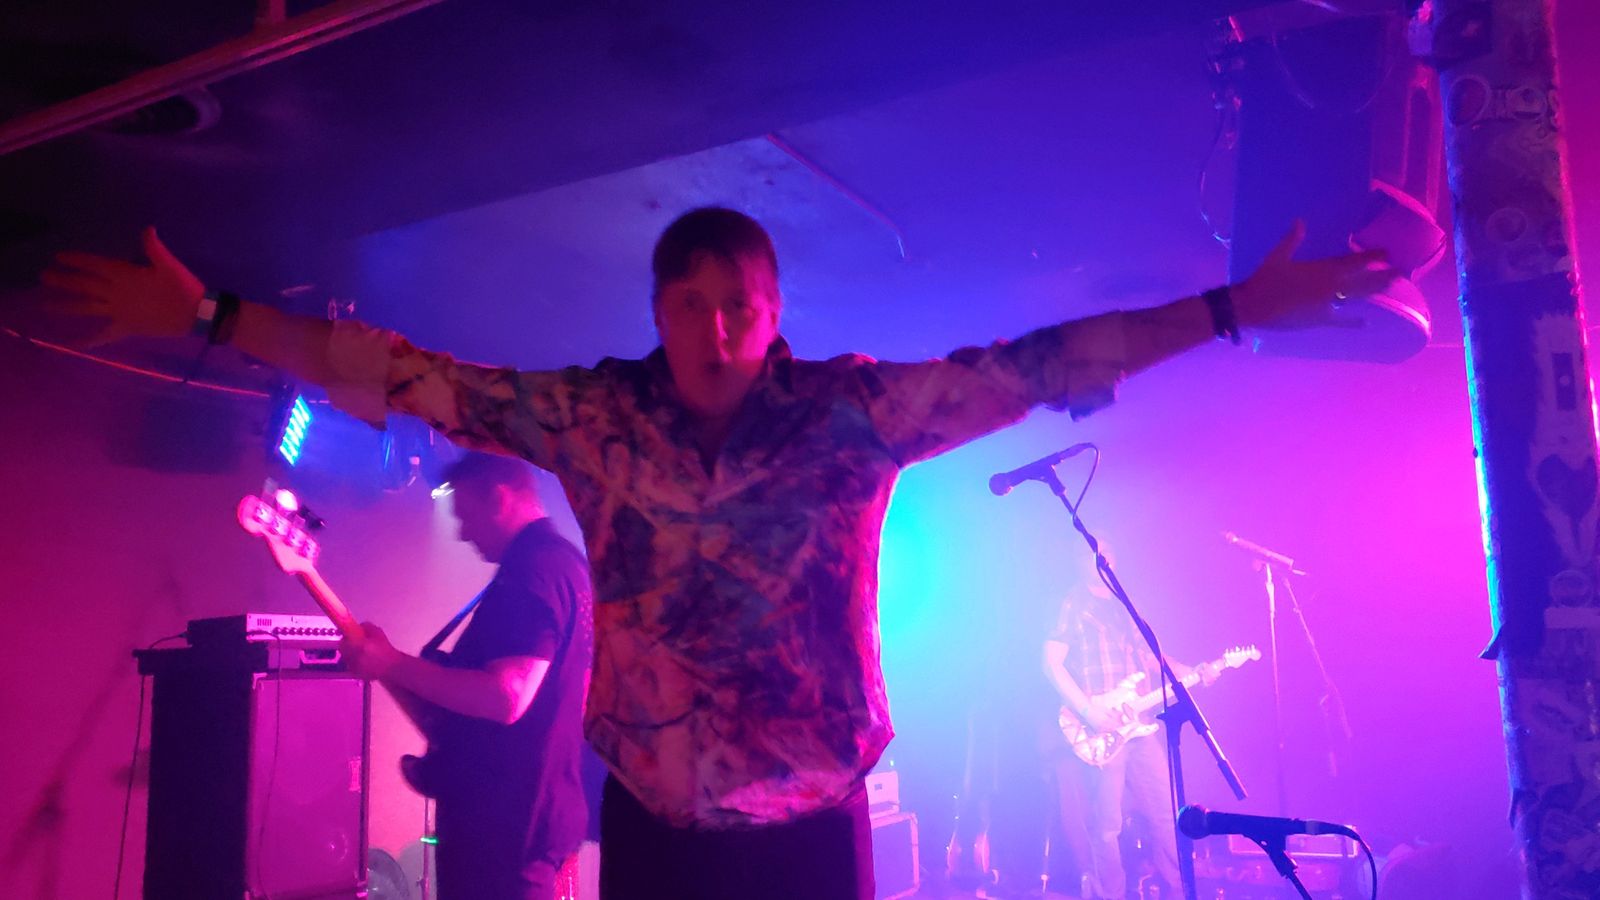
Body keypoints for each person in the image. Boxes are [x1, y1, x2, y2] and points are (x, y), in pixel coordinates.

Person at [42, 207, 1394, 899]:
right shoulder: (596, 418)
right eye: (690, 304)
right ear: (658, 313)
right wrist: (215, 317)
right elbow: (406, 375)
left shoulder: (848, 416)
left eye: (740, 303)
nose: (717, 327)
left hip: (806, 825)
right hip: (658, 823)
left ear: (775, 310)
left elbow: (1034, 367)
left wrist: (1230, 308)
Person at [340, 452, 594, 900]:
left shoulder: (536, 568)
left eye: (466, 516)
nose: (460, 532)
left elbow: (505, 697)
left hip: (505, 825)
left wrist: (392, 663)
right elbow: (468, 714)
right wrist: (387, 664)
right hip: (512, 821)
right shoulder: (555, 565)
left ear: (499, 498)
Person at [1043, 547, 1219, 900]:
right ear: (1078, 561)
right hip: (1102, 726)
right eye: (1092, 552)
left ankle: (1179, 892)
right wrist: (1088, 711)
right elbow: (1050, 662)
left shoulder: (1125, 606)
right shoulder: (1072, 604)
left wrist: (1189, 671)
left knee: (1167, 814)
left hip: (1138, 725)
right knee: (1107, 825)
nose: (1102, 558)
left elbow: (1151, 657)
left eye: (1107, 552)